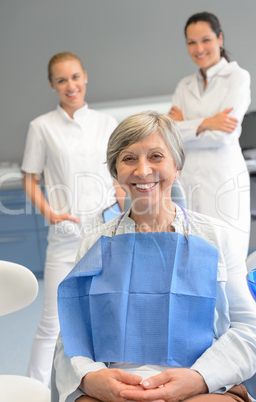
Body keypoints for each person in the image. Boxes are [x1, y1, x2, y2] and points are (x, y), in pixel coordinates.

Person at [53, 111, 256, 402]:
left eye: (156, 156)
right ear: (115, 171)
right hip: (116, 388)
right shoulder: (94, 243)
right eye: (129, 158)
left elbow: (249, 328)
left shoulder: (216, 237)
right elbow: (72, 332)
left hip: (199, 383)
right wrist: (89, 376)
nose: (143, 171)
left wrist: (199, 378)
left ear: (177, 166)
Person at [21, 51, 122, 386]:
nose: (71, 85)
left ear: (86, 77)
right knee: (52, 321)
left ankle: (104, 384)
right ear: (52, 85)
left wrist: (123, 208)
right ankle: (34, 389)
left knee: (106, 313)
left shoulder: (107, 124)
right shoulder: (42, 127)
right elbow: (29, 178)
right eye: (62, 80)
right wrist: (50, 213)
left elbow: (118, 176)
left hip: (106, 232)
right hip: (65, 236)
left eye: (75, 77)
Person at [168, 11, 251, 260]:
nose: (199, 48)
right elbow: (171, 133)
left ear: (220, 38)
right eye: (192, 42)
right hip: (190, 180)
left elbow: (223, 136)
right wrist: (207, 122)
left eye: (205, 40)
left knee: (230, 258)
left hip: (224, 180)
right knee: (196, 258)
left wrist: (187, 124)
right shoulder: (184, 86)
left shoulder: (237, 77)